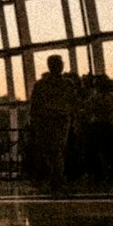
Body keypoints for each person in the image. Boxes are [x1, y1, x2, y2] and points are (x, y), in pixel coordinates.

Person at [28, 55, 77, 190]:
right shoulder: (67, 84)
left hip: (49, 120)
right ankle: (57, 176)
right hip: (59, 119)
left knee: (52, 150)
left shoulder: (41, 84)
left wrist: (34, 120)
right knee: (55, 150)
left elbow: (35, 105)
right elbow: (73, 103)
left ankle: (56, 177)